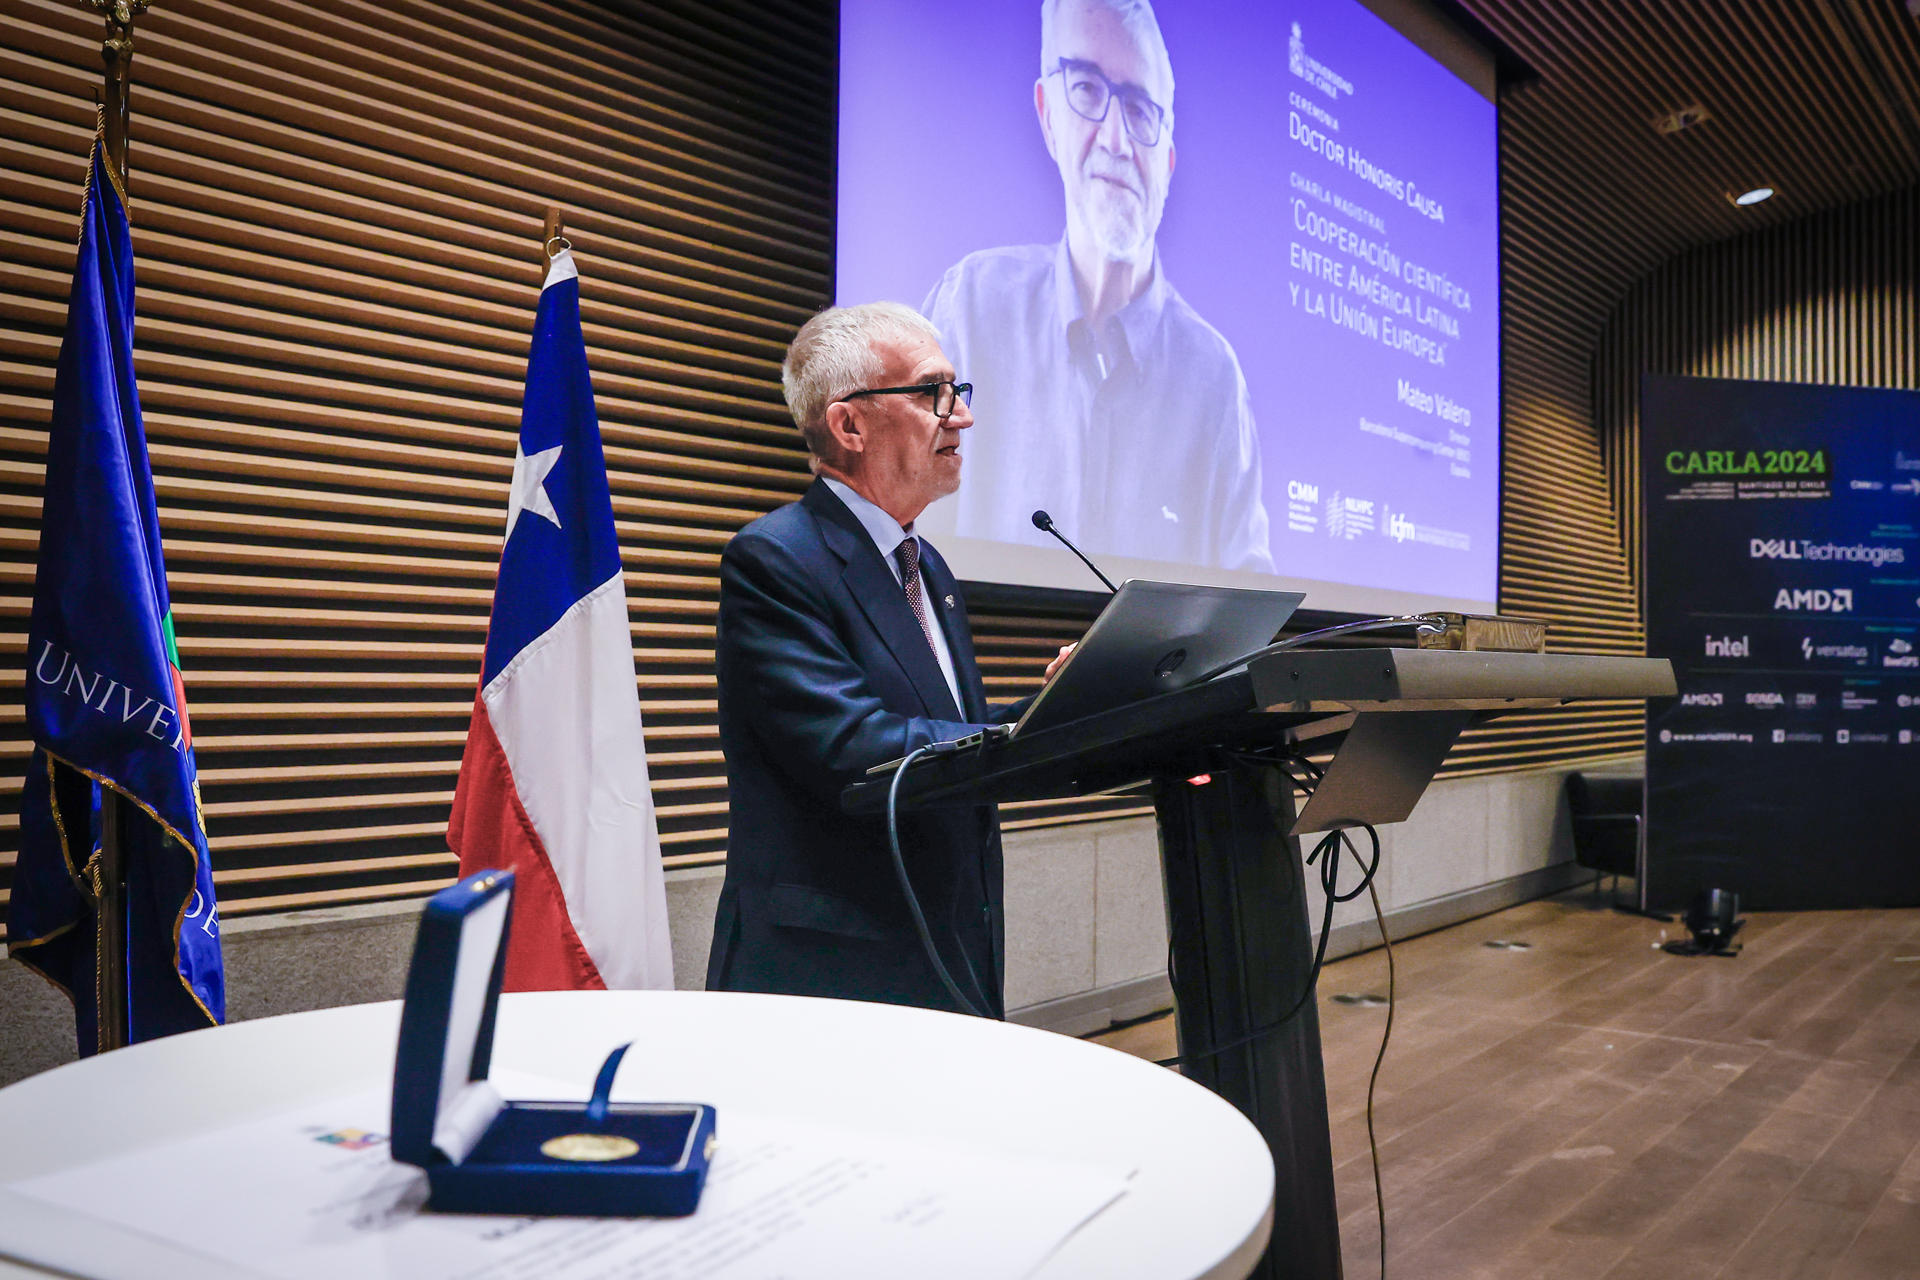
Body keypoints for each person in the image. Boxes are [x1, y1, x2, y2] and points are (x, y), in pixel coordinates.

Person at [705, 302, 1067, 1015]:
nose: (959, 416)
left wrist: (1062, 706)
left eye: (959, 393)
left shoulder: (927, 565)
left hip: (948, 946)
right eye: (933, 392)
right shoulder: (776, 559)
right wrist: (1024, 737)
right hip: (832, 974)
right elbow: (855, 746)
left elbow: (943, 728)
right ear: (849, 424)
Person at [922, 0, 1274, 575]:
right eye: (1087, 89)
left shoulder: (1214, 378)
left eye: (1140, 109)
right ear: (1047, 114)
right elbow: (902, 539)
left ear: (1168, 162)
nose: (1115, 138)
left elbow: (1249, 602)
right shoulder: (971, 306)